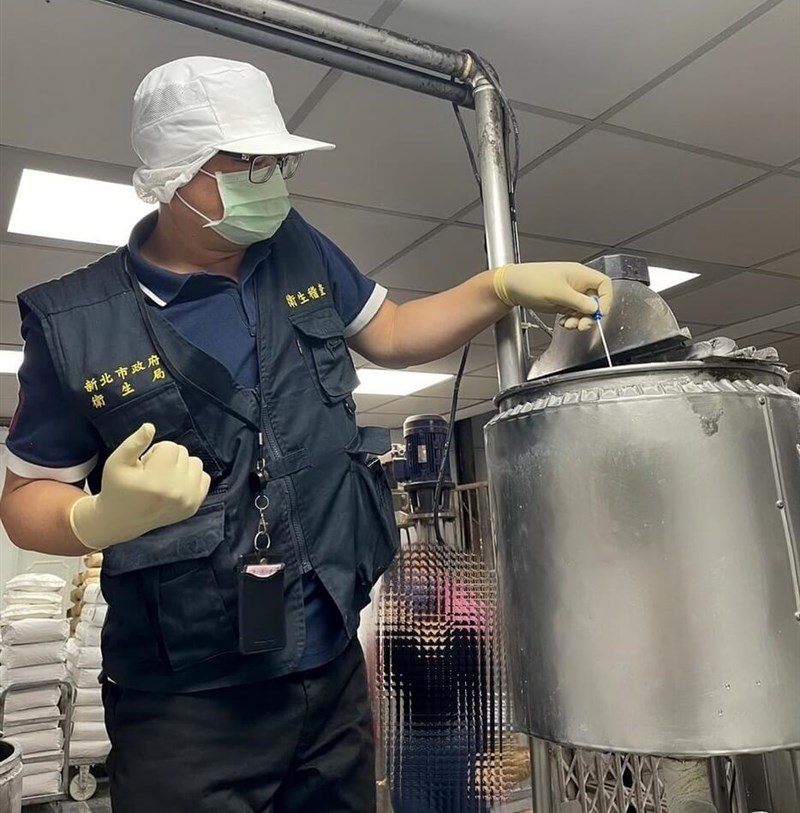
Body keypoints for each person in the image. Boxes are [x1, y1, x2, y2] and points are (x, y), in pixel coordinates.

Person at [0, 56, 612, 813]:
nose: (269, 179)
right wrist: (95, 518)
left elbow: (387, 330)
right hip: (186, 703)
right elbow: (27, 493)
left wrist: (495, 286)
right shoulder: (75, 323)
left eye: (276, 160)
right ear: (171, 171)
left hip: (328, 671)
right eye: (244, 161)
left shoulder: (297, 246)